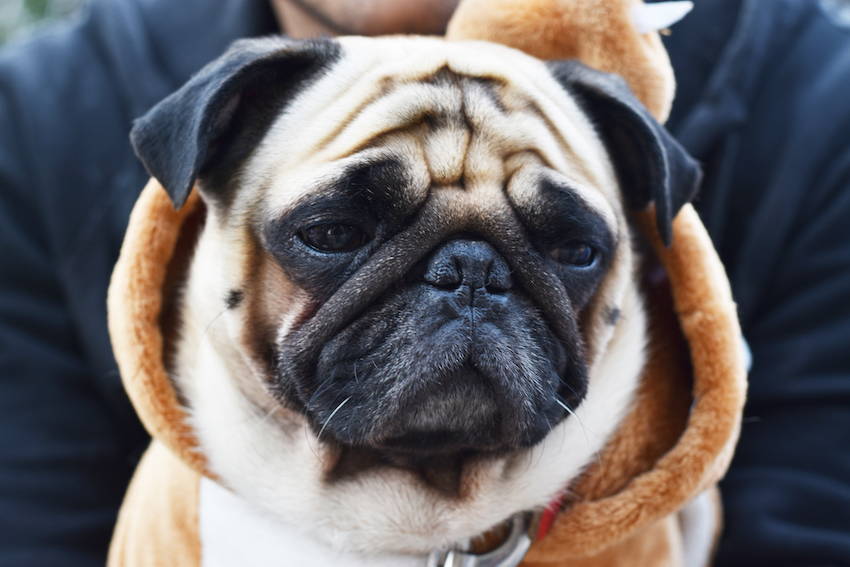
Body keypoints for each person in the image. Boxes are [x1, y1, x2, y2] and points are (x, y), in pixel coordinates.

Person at [0, 0, 848, 565]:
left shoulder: (819, 105)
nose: (467, 290)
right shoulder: (37, 119)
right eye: (334, 236)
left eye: (564, 249)